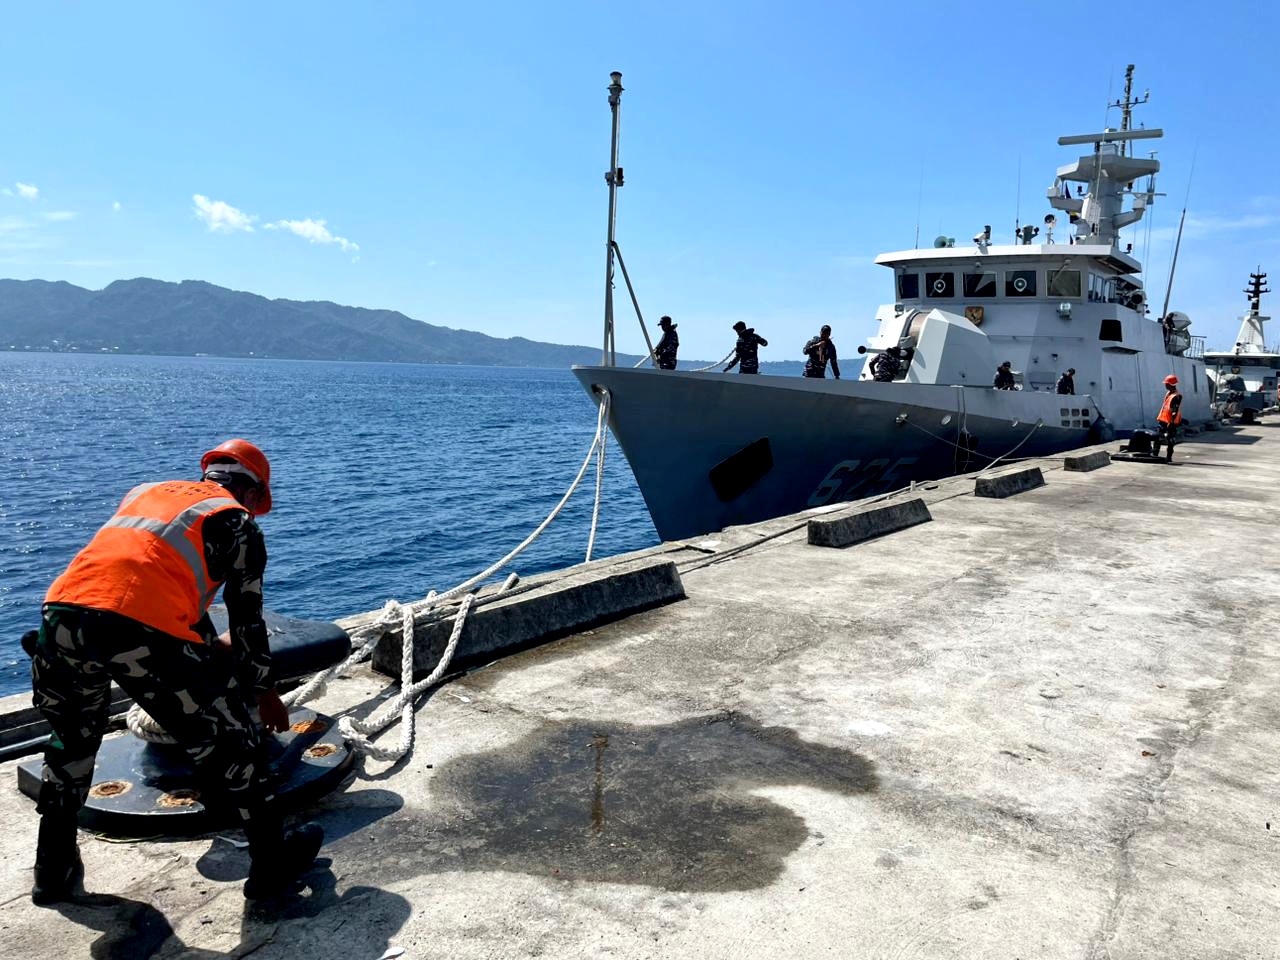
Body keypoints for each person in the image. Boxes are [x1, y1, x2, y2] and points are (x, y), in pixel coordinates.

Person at [29, 439, 323, 904]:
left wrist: (204, 645)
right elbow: (246, 620)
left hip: (62, 616)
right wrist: (265, 694)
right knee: (236, 745)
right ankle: (272, 867)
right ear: (252, 493)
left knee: (71, 743)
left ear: (210, 476)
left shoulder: (148, 494)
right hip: (138, 628)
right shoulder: (237, 522)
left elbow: (150, 575)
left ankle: (53, 868)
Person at [1151, 374, 1182, 462]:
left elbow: (1174, 411)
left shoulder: (1175, 396)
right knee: (1157, 437)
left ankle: (1169, 457)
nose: (1165, 385)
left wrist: (1171, 423)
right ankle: (1155, 454)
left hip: (1170, 422)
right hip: (1163, 420)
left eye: (1166, 383)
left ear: (1170, 384)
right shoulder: (1169, 393)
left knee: (1170, 439)